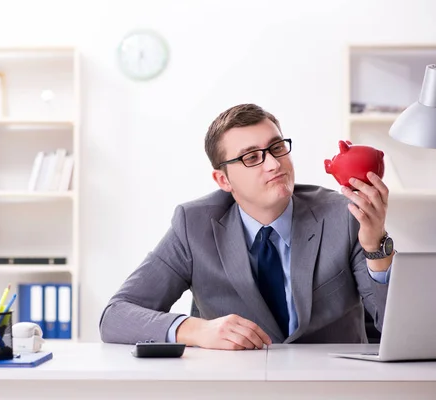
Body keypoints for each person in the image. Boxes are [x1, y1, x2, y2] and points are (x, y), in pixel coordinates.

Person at [99, 103, 395, 350]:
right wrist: (196, 331)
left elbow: (397, 326)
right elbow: (115, 316)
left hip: (335, 387)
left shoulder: (342, 215)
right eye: (252, 157)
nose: (274, 164)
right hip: (240, 387)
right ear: (223, 180)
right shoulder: (194, 226)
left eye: (277, 147)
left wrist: (376, 248)